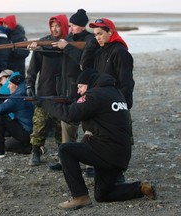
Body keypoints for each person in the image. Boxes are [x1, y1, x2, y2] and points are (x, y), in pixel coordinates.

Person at [40, 69, 156, 211]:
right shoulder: (115, 92)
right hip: (119, 153)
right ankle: (140, 188)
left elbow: (70, 115)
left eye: (80, 87)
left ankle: (80, 197)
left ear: (89, 85)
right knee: (103, 194)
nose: (78, 91)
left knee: (66, 150)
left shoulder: (94, 95)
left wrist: (45, 104)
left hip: (105, 149)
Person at [49, 9, 99, 171]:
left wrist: (67, 47)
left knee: (89, 127)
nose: (70, 28)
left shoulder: (91, 40)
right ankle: (67, 161)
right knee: (67, 124)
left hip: (85, 88)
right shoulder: (68, 39)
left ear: (81, 26)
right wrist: (37, 47)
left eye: (73, 25)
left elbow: (85, 62)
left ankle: (93, 163)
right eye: (70, 25)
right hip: (68, 88)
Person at [26, 14, 69, 166]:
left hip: (63, 93)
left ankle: (62, 155)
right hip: (44, 91)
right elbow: (32, 69)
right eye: (52, 26)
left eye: (58, 26)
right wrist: (30, 84)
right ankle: (35, 152)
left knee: (60, 127)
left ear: (64, 26)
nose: (54, 29)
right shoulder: (43, 43)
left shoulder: (69, 44)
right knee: (39, 125)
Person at [84, 18, 135, 146]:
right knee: (100, 137)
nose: (97, 38)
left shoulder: (120, 52)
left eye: (100, 34)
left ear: (110, 32)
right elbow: (85, 67)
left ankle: (117, 164)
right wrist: (90, 47)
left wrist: (121, 106)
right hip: (101, 102)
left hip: (116, 104)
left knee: (119, 140)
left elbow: (126, 83)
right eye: (95, 35)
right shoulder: (100, 51)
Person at [0, 75, 35, 158]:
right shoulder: (25, 91)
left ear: (16, 86)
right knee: (6, 145)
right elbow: (7, 100)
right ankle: (32, 148)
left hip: (26, 133)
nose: (8, 86)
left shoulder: (17, 98)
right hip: (32, 132)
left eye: (10, 84)